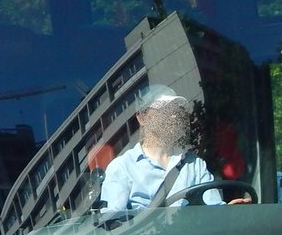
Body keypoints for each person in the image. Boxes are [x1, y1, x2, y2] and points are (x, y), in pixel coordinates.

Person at [100, 84, 248, 210]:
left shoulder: (195, 164)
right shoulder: (122, 167)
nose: (173, 116)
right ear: (142, 118)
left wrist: (228, 213)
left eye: (176, 110)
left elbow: (213, 212)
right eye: (164, 110)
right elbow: (114, 227)